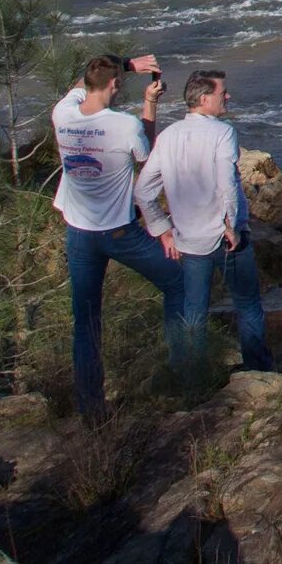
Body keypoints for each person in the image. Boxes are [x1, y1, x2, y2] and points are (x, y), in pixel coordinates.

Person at [51, 51, 174, 421]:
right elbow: (146, 157)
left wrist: (125, 64)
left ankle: (92, 411)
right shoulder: (123, 126)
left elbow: (79, 85)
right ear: (115, 86)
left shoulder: (63, 113)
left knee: (86, 323)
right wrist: (149, 104)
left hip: (78, 232)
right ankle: (176, 371)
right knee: (178, 282)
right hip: (119, 233)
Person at [134, 69, 275, 387]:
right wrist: (231, 226)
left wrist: (162, 229)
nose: (228, 96)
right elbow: (226, 182)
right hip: (227, 239)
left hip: (188, 240)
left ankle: (195, 380)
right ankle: (259, 374)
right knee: (248, 305)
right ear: (204, 98)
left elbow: (143, 191)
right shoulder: (223, 132)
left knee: (194, 313)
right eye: (223, 92)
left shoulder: (168, 136)